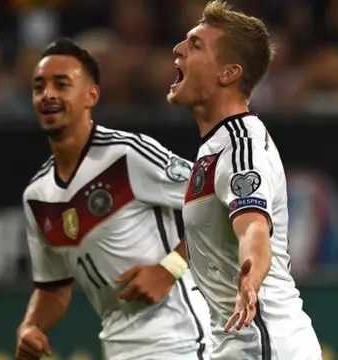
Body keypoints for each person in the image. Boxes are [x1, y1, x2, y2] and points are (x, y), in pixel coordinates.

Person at [15, 38, 211, 360]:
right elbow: (54, 286)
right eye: (39, 87)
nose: (47, 94)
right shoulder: (38, 197)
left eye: (61, 84)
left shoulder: (126, 155)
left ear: (91, 95)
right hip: (119, 348)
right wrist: (30, 326)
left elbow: (216, 200)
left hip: (182, 339)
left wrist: (169, 268)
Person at [167, 1, 322, 360]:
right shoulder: (215, 149)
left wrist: (251, 279)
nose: (178, 48)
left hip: (263, 346)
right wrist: (167, 270)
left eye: (195, 45)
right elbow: (209, 241)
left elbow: (253, 229)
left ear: (228, 73)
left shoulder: (241, 147)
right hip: (240, 346)